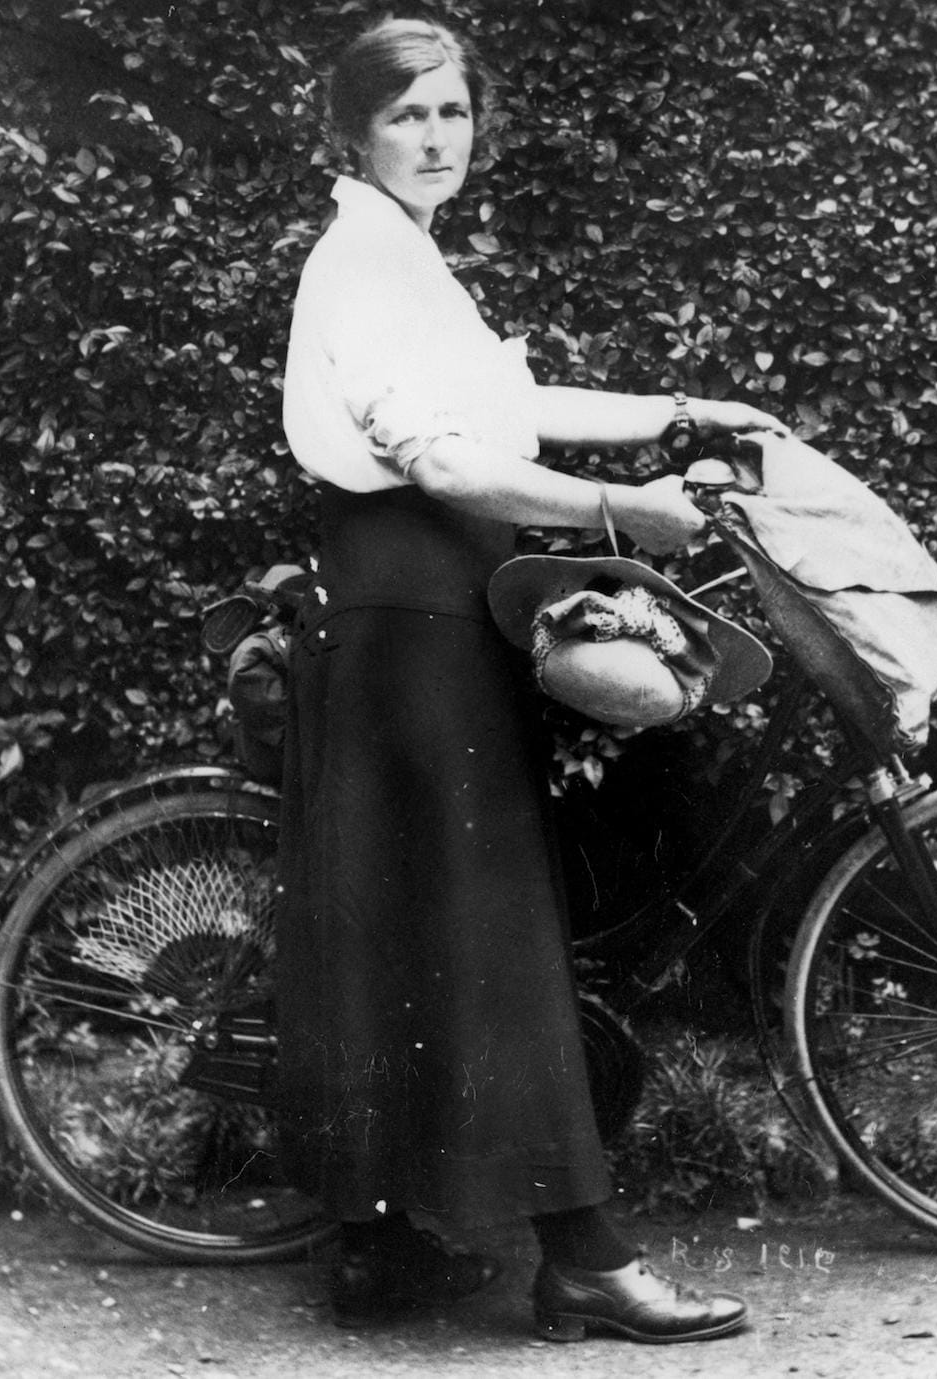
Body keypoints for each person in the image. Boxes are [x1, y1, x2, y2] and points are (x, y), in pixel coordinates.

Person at [276, 15, 785, 1345]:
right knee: (486, 927)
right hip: (411, 614)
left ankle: (383, 1257)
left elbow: (509, 402)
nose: (437, 138)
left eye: (452, 112)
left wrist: (685, 410)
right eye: (408, 118)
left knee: (408, 926)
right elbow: (446, 465)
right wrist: (631, 512)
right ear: (356, 132)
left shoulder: (404, 261)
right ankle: (585, 1261)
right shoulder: (368, 265)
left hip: (424, 609)